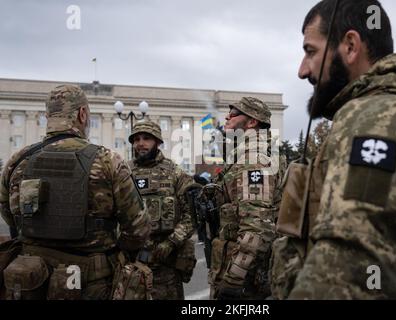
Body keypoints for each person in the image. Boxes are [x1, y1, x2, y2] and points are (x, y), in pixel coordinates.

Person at [283, 0, 396, 299]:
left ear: (350, 46)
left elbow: (348, 270)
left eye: (310, 51)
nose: (302, 70)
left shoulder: (381, 116)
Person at [0, 84, 151, 300]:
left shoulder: (18, 161)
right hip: (92, 282)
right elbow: (138, 228)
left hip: (33, 283)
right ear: (82, 114)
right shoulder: (107, 161)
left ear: (47, 116)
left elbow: (10, 216)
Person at [208, 96, 284, 300]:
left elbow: (256, 226)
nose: (227, 117)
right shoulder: (242, 156)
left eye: (233, 114)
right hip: (237, 267)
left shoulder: (254, 160)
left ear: (252, 122)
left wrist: (234, 279)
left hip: (244, 279)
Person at [128, 120, 196, 300]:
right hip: (131, 264)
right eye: (136, 139)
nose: (140, 143)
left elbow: (192, 214)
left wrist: (171, 242)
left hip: (165, 266)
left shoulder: (175, 172)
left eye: (146, 138)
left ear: (157, 142)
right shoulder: (124, 172)